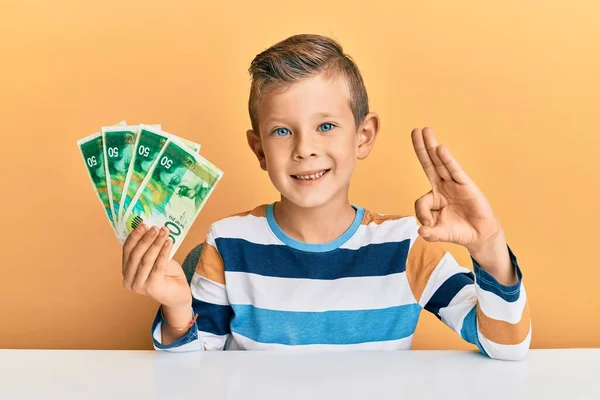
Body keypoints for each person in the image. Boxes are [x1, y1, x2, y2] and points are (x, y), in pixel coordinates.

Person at [121, 34, 530, 360]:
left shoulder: (406, 247)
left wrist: (489, 245)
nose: (305, 149)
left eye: (327, 126)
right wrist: (176, 308)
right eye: (282, 131)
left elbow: (506, 347)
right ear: (259, 149)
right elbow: (189, 374)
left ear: (363, 136)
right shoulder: (228, 245)